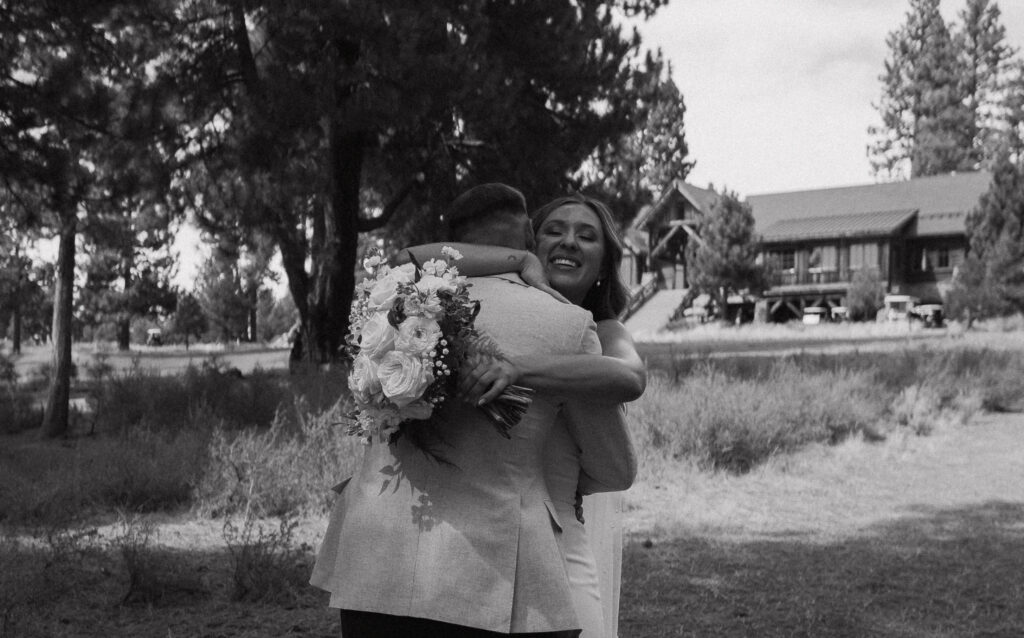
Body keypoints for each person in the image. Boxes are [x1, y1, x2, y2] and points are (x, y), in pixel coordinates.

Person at [310, 184, 605, 637]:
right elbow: (614, 463)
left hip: (375, 557)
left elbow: (404, 257)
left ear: (453, 243)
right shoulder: (569, 321)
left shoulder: (390, 304)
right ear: (529, 233)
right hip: (494, 567)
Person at [401, 193, 645, 638]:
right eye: (555, 231)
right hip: (474, 542)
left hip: (555, 539)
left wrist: (519, 367)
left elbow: (630, 377)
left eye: (587, 236)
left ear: (605, 266)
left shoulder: (604, 331)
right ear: (533, 243)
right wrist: (514, 259)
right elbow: (408, 260)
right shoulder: (483, 307)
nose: (569, 241)